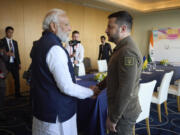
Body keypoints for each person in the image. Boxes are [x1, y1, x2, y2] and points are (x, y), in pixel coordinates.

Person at [31, 9, 96, 135]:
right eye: (66, 24)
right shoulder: (55, 48)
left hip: (42, 109)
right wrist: (90, 92)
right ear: (53, 26)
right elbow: (66, 87)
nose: (70, 28)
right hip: (57, 115)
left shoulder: (39, 43)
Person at [92, 11, 143, 135]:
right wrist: (99, 87)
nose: (106, 30)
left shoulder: (127, 51)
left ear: (123, 29)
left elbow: (126, 89)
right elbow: (114, 76)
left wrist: (113, 118)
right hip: (121, 110)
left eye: (110, 26)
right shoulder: (122, 47)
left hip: (123, 114)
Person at [1, 26, 21, 97]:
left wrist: (19, 63)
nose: (11, 34)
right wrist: (6, 53)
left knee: (17, 79)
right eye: (9, 32)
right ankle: (2, 96)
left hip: (14, 63)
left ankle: (17, 94)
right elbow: (0, 53)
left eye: (12, 33)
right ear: (6, 32)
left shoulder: (15, 42)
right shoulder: (1, 41)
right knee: (2, 80)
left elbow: (17, 53)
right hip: (5, 64)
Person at [0, 42, 8, 121]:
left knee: (2, 96)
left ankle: (1, 113)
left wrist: (2, 52)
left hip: (2, 77)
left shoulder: (2, 47)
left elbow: (6, 59)